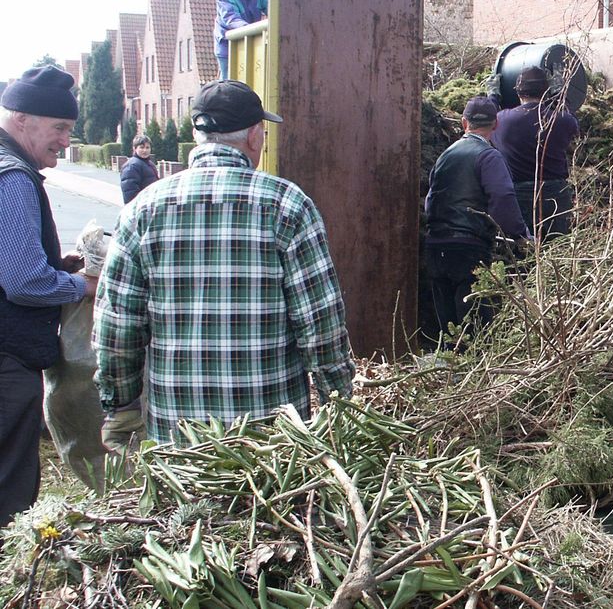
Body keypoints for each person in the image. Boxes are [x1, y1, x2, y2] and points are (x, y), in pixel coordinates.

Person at [93, 80, 354, 444]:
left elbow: (118, 324)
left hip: (178, 440)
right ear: (253, 137)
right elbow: (320, 323)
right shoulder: (287, 204)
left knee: (183, 506)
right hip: (273, 442)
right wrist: (339, 403)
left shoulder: (142, 209)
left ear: (197, 134)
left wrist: (120, 406)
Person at [0, 66, 97, 528]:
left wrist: (61, 264)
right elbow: (24, 282)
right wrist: (85, 285)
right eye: (59, 128)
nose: (64, 140)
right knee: (9, 484)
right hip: (5, 361)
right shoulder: (12, 177)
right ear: (23, 119)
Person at [424, 97, 530, 337]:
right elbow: (502, 197)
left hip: (436, 247)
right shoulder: (489, 156)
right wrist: (520, 235)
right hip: (468, 248)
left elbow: (431, 200)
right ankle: (474, 371)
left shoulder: (444, 156)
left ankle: (449, 371)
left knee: (449, 330)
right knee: (474, 328)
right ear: (496, 125)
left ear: (464, 123)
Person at [488, 67, 581, 241]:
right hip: (556, 193)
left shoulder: (502, 120)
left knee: (524, 247)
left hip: (519, 195)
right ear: (546, 91)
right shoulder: (560, 120)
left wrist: (493, 96)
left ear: (518, 92)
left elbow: (488, 121)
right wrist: (560, 96)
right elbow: (573, 123)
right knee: (558, 246)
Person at [213, 0, 268, 80]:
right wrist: (250, 29)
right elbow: (231, 18)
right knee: (229, 80)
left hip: (253, 39)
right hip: (227, 44)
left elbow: (271, 7)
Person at [119, 134, 159, 203]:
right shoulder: (131, 166)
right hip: (141, 207)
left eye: (147, 147)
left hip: (150, 204)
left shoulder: (150, 164)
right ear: (135, 148)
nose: (145, 150)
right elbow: (130, 193)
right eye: (141, 147)